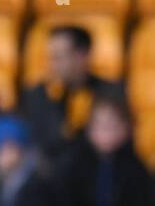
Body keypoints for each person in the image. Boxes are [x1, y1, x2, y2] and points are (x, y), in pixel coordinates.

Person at [18, 25, 120, 165]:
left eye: (58, 58)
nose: (52, 65)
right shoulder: (37, 96)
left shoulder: (110, 94)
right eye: (50, 58)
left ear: (81, 56)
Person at [56, 94, 155, 206]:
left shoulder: (136, 169)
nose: (105, 132)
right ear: (89, 129)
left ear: (125, 128)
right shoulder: (74, 165)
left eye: (111, 125)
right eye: (99, 125)